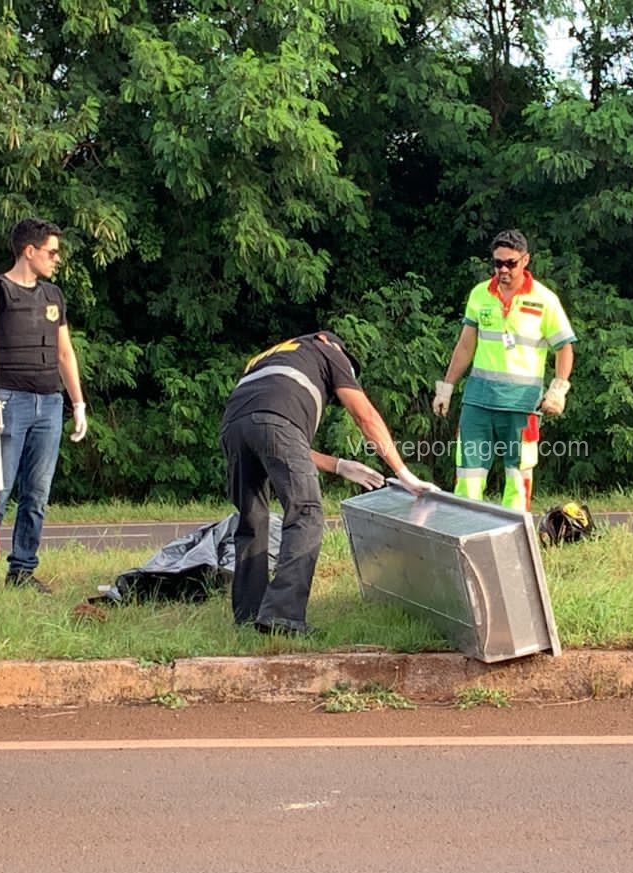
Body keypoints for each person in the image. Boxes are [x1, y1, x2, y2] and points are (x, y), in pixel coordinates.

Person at [221, 331, 436, 637]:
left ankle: (248, 614)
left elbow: (270, 432)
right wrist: (404, 474)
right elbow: (365, 417)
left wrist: (339, 465)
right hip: (275, 423)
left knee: (251, 521)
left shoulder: (269, 358)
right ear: (328, 340)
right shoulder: (327, 350)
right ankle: (282, 617)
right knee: (306, 514)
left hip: (233, 427)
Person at [0, 218, 87, 594]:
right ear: (29, 251)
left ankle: (22, 569)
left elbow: (64, 352)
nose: (56, 259)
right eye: (51, 252)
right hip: (9, 401)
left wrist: (78, 403)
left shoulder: (53, 295)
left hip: (49, 404)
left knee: (37, 494)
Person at [431, 230, 576, 510]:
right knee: (468, 476)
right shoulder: (480, 294)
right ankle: (466, 530)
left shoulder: (544, 299)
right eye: (498, 263)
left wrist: (558, 389)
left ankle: (514, 535)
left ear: (525, 260)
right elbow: (465, 346)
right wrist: (446, 388)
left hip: (523, 404)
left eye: (511, 263)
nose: (504, 270)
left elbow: (564, 348)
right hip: (478, 401)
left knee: (518, 478)